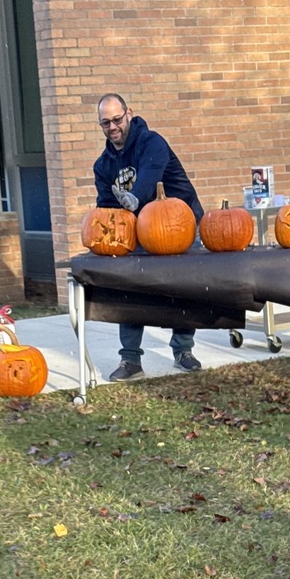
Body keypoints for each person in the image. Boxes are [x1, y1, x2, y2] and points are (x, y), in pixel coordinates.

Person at [93, 93, 205, 381]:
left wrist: (132, 199)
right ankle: (130, 360)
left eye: (117, 119)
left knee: (182, 289)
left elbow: (149, 178)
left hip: (179, 225)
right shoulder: (103, 165)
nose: (113, 127)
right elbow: (106, 209)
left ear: (129, 114)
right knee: (131, 292)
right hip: (138, 230)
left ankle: (183, 351)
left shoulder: (152, 142)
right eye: (105, 123)